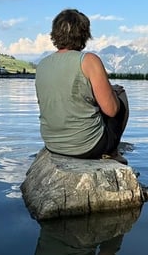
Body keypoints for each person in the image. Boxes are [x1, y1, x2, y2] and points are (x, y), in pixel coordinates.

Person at [34, 9, 128, 163]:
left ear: (55, 33)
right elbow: (111, 110)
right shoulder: (89, 60)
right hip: (87, 147)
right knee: (120, 96)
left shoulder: (42, 65)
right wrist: (112, 93)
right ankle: (112, 152)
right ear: (84, 33)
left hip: (52, 144)